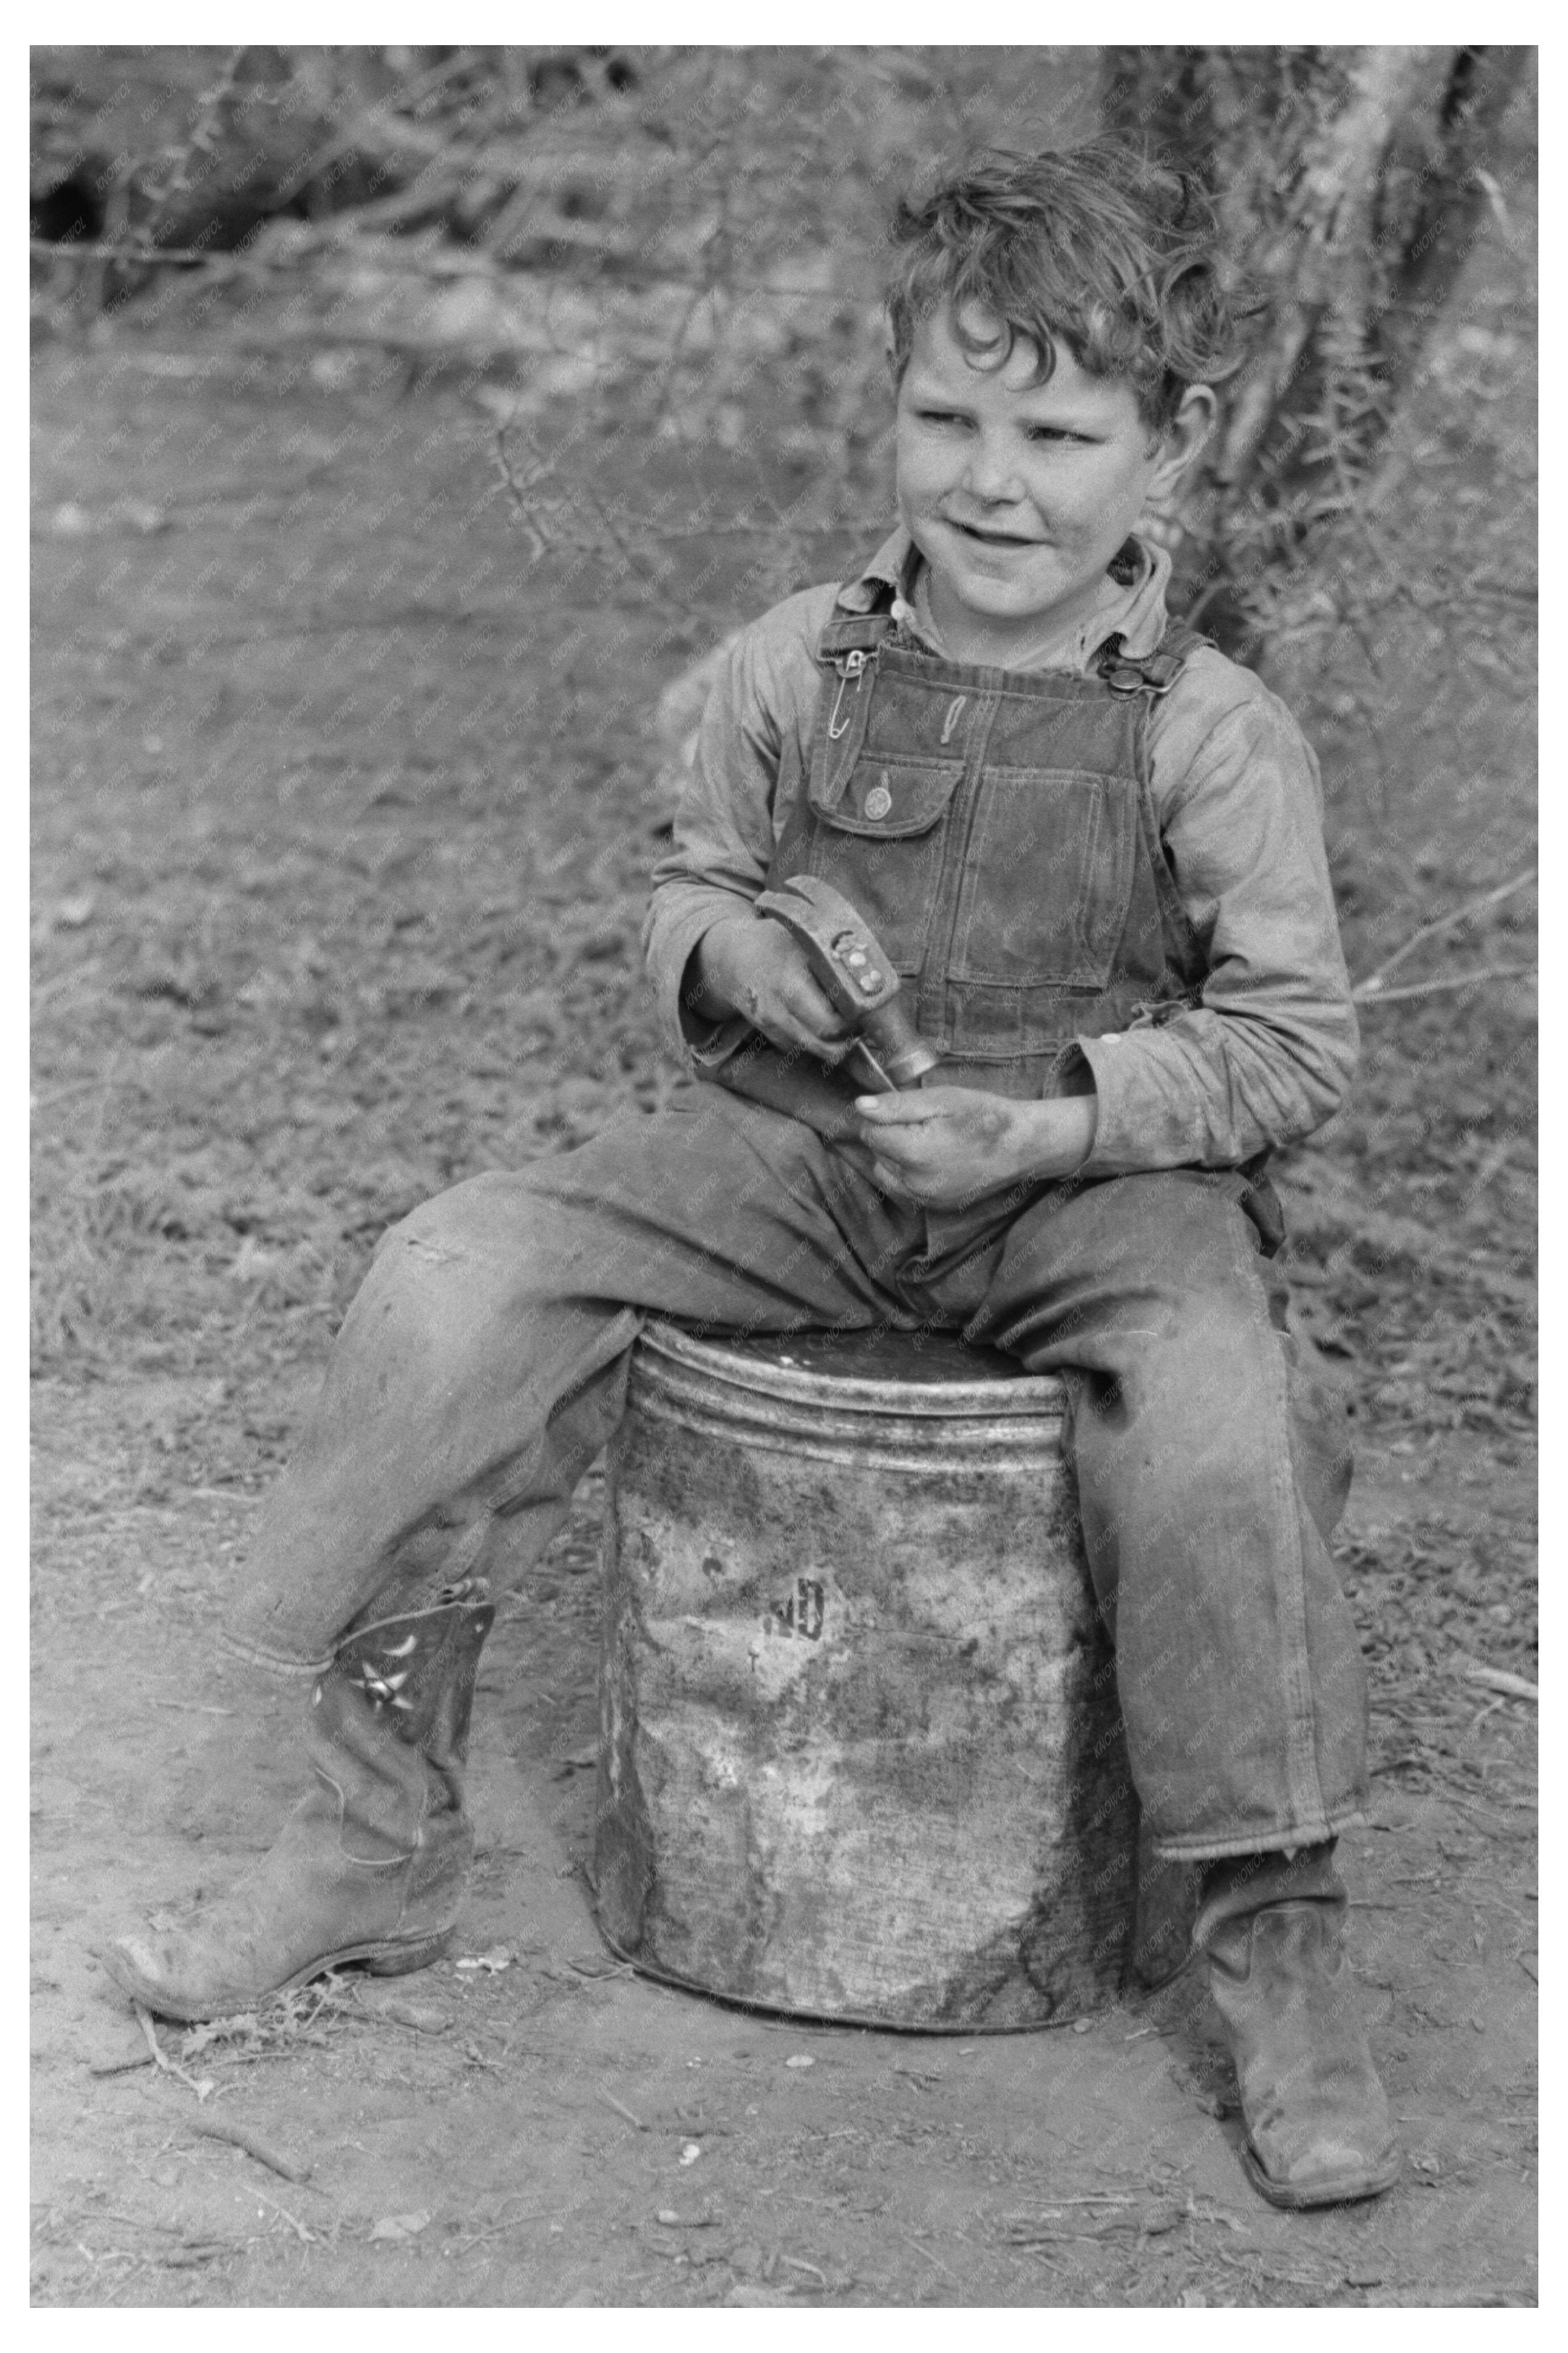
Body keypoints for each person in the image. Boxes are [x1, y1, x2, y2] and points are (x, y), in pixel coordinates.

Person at [101, 140, 1397, 2211]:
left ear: (1165, 453)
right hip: (804, 1162)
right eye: (946, 417)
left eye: (1058, 433)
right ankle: (369, 1838)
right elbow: (682, 887)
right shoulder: (795, 664)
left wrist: (1055, 1122)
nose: (993, 479)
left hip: (1089, 1197)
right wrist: (734, 958)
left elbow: (1290, 1048)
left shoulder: (1211, 733)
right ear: (887, 407)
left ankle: (1276, 1950)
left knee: (1227, 1431)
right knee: (457, 1275)